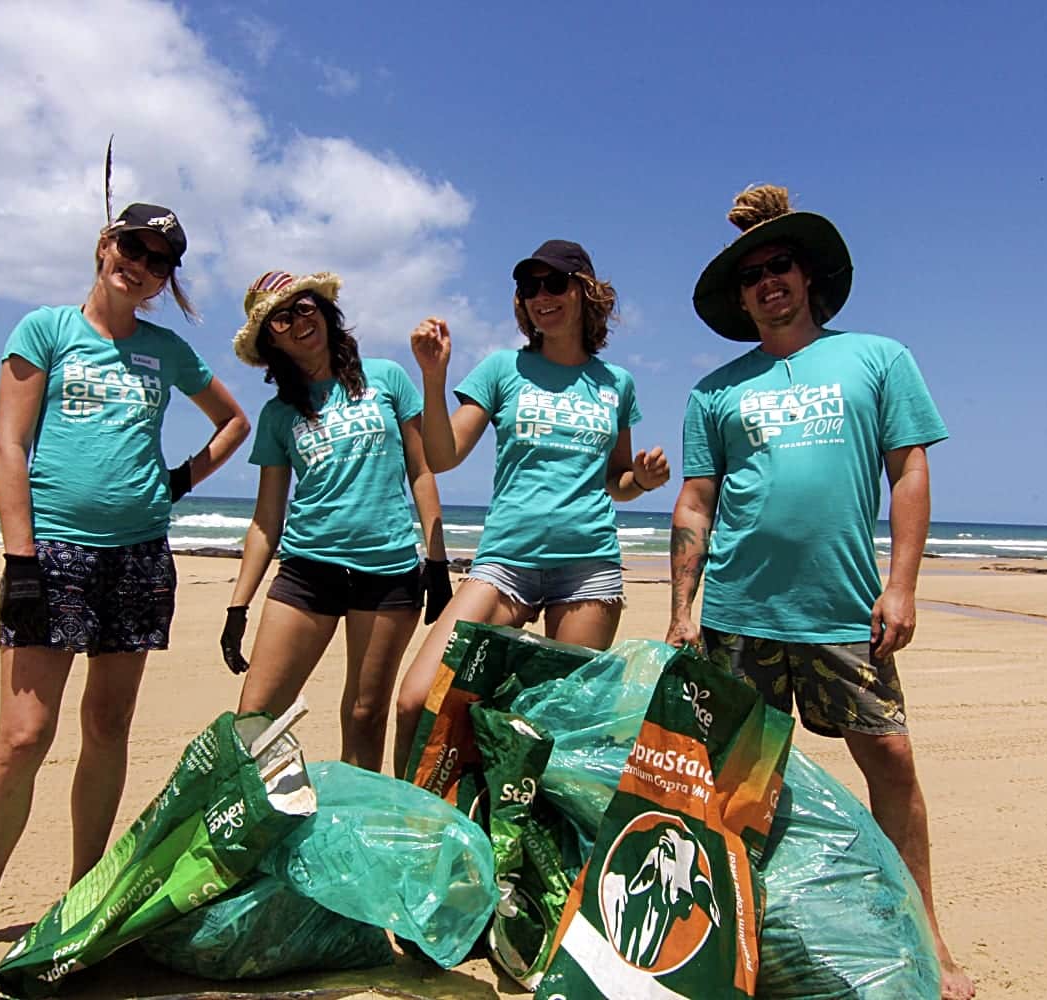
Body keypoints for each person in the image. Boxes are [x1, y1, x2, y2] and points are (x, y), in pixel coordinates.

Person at [0, 201, 250, 977]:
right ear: (106, 245)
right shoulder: (46, 331)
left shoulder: (166, 351)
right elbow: (9, 446)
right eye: (133, 248)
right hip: (54, 554)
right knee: (23, 737)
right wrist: (20, 559)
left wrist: (176, 482)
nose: (141, 266)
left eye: (159, 261)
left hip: (139, 559)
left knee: (108, 727)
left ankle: (83, 896)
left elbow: (232, 422)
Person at [667, 184, 975, 999]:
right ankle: (732, 939)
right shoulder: (716, 391)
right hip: (738, 612)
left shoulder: (877, 358)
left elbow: (909, 470)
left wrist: (901, 587)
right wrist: (681, 612)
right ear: (740, 297)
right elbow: (696, 501)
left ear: (806, 278)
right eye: (753, 275)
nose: (768, 282)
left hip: (843, 607)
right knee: (739, 779)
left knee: (892, 760)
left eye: (780, 266)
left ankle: (926, 934)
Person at [393, 240, 671, 776]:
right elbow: (443, 456)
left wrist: (644, 479)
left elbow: (617, 483)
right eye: (528, 287)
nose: (540, 296)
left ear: (585, 293)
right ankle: (410, 826)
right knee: (419, 698)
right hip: (505, 564)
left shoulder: (617, 384)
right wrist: (433, 377)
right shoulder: (503, 368)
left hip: (588, 569)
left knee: (559, 734)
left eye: (554, 283)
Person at [219, 270, 452, 772]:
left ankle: (355, 833)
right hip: (308, 573)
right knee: (255, 719)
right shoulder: (279, 414)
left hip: (388, 575)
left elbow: (421, 470)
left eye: (304, 307)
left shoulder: (386, 378)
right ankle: (263, 827)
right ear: (270, 340)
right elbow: (266, 520)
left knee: (365, 714)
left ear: (324, 311)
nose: (298, 322)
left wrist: (437, 562)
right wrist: (239, 604)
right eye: (281, 318)